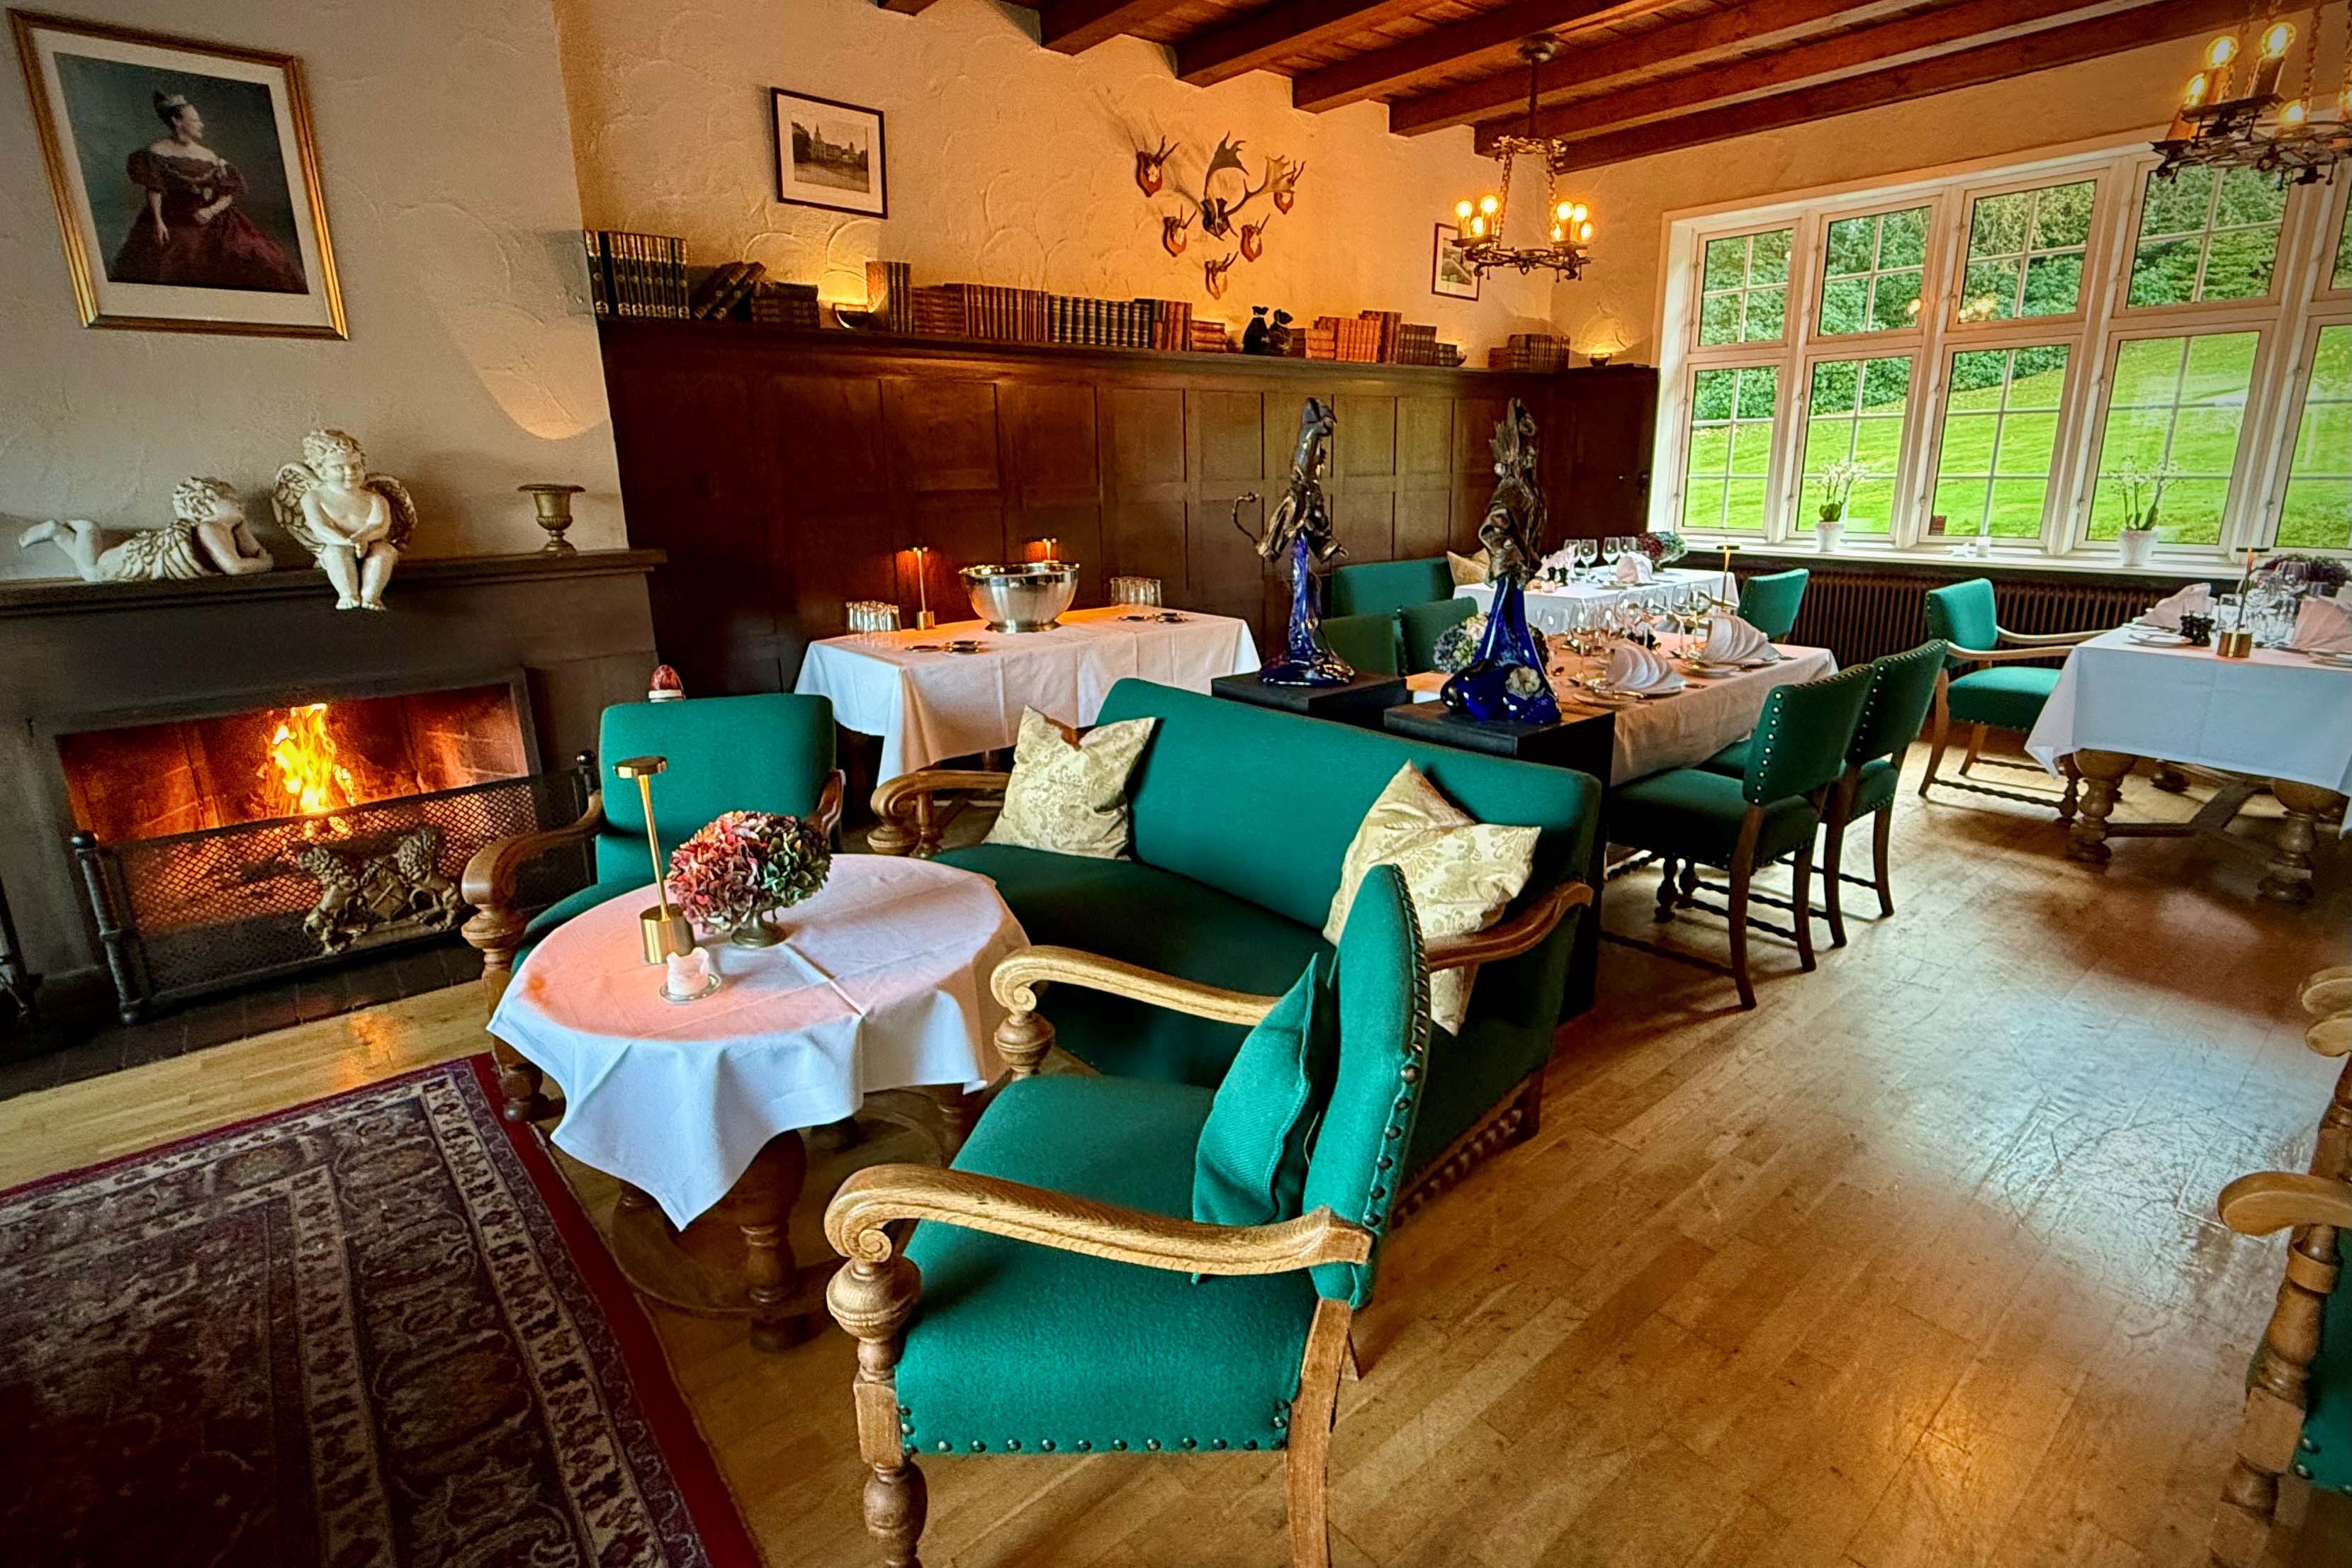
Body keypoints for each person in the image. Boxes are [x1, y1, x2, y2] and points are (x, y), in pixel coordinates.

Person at [108, 91, 305, 293]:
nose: (201, 125)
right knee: (178, 255)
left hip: (216, 218)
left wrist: (209, 211)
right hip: (175, 217)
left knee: (260, 253)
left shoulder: (208, 156)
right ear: (177, 121)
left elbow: (228, 193)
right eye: (195, 120)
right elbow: (154, 190)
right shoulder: (157, 152)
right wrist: (158, 222)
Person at [18, 477, 275, 582]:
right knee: (94, 574)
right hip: (140, 559)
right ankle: (87, 531)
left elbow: (250, 553)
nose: (239, 503)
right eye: (230, 499)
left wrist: (242, 527)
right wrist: (266, 563)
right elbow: (236, 567)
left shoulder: (225, 530)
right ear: (205, 505)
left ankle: (59, 533)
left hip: (147, 558)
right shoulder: (210, 528)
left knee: (94, 570)